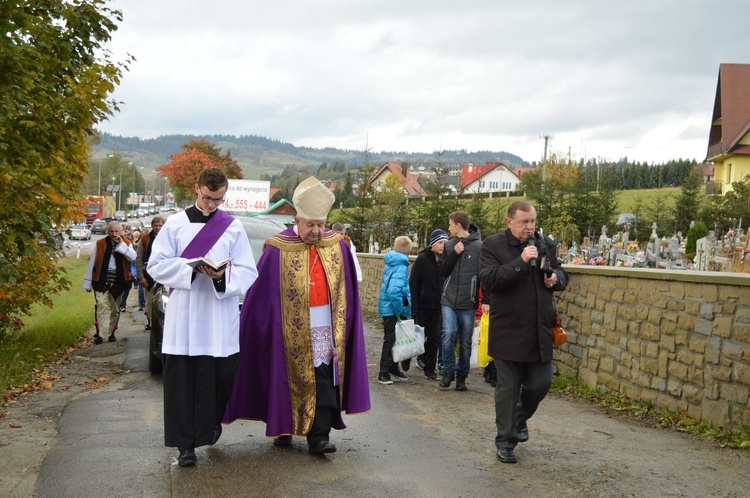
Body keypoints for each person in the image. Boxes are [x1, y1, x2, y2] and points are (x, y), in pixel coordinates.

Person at [223, 176, 371, 455]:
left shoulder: (337, 245)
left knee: (323, 377)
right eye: (310, 225)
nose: (316, 230)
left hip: (326, 324)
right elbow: (261, 293)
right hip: (287, 328)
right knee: (285, 377)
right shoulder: (277, 247)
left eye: (320, 224)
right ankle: (283, 427)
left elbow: (346, 289)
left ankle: (319, 436)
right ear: (297, 220)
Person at [146, 168, 258, 467]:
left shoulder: (232, 227)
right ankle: (186, 446)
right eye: (208, 198)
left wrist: (222, 277)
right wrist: (189, 268)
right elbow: (155, 266)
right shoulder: (175, 224)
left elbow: (248, 270)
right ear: (197, 189)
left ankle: (212, 421)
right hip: (185, 314)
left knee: (222, 379)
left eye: (218, 200)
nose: (212, 205)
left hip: (219, 317)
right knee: (182, 382)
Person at [478, 201, 569, 464]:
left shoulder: (544, 244)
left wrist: (556, 280)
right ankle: (505, 441)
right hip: (508, 329)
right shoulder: (493, 246)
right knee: (507, 388)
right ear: (509, 221)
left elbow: (561, 273)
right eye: (524, 222)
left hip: (539, 329)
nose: (530, 227)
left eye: (532, 221)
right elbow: (490, 280)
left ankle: (518, 418)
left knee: (542, 382)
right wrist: (520, 261)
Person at [438, 211, 482, 391]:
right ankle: (448, 371)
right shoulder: (449, 245)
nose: (448, 228)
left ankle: (461, 377)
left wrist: (482, 302)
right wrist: (454, 254)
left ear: (458, 225)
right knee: (448, 333)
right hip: (448, 299)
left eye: (450, 224)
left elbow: (483, 277)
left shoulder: (480, 247)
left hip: (468, 302)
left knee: (465, 341)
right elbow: (442, 271)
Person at [82, 221, 137, 344]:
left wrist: (121, 245)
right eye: (111, 231)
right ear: (108, 231)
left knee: (115, 309)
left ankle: (111, 333)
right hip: (101, 280)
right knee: (101, 305)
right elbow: (93, 262)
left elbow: (133, 257)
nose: (114, 234)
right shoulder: (100, 243)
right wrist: (88, 282)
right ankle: (100, 334)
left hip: (119, 281)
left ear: (121, 231)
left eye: (116, 231)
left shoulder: (126, 243)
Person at [409, 229, 448, 381]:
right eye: (440, 242)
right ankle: (408, 357)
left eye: (445, 242)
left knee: (434, 337)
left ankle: (430, 368)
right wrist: (414, 307)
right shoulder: (422, 259)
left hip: (438, 306)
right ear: (432, 244)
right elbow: (414, 283)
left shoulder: (446, 261)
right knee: (418, 336)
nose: (443, 246)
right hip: (422, 305)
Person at [377, 236, 413, 385]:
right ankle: (383, 372)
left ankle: (392, 367)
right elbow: (394, 291)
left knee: (394, 339)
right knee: (391, 340)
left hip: (388, 308)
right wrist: (400, 310)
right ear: (408, 250)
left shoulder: (392, 263)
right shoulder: (401, 267)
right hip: (393, 310)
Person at [136, 216, 165, 331]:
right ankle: (152, 324)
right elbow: (138, 259)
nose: (158, 228)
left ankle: (163, 324)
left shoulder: (169, 237)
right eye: (155, 226)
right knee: (149, 301)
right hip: (148, 276)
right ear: (152, 226)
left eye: (160, 225)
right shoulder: (145, 239)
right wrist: (141, 277)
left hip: (164, 275)